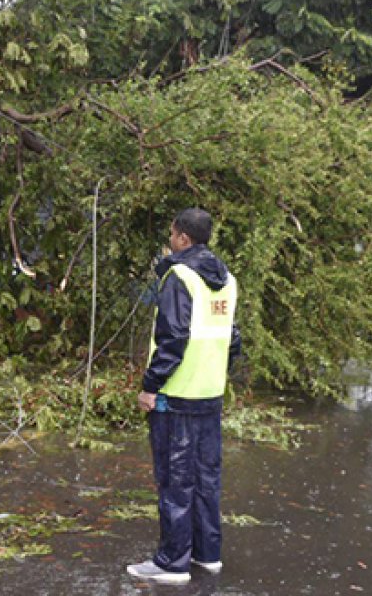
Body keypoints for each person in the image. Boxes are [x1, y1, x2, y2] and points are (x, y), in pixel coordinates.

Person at [127, 208, 241, 585]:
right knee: (206, 477)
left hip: (176, 397)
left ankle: (172, 562)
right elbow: (232, 338)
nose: (170, 240)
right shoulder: (227, 281)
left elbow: (173, 337)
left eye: (172, 235)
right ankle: (207, 554)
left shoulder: (180, 276)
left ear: (183, 239)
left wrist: (150, 385)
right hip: (210, 393)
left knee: (175, 479)